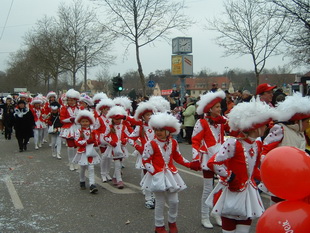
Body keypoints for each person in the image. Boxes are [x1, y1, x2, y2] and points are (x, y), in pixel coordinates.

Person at [206, 98, 276, 233]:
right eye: (264, 124)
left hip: (248, 192)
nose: (267, 127)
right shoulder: (233, 143)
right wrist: (230, 177)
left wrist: (267, 179)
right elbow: (213, 163)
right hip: (232, 191)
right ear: (253, 126)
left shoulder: (257, 144)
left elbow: (253, 169)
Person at [140, 112, 200, 233]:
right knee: (160, 202)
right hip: (157, 175)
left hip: (171, 175)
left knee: (174, 201)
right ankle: (159, 226)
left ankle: (172, 222)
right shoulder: (150, 144)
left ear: (168, 131)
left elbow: (178, 157)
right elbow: (145, 160)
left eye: (161, 130)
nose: (158, 132)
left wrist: (190, 164)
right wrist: (154, 172)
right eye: (156, 130)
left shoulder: (173, 143)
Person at [260, 92, 310, 205]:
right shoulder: (280, 130)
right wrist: (270, 171)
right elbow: (265, 151)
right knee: (279, 205)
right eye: (307, 121)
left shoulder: (301, 133)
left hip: (297, 177)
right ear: (298, 121)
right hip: (281, 178)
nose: (308, 125)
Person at [191, 90, 227, 229]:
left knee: (221, 187)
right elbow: (195, 141)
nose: (220, 109)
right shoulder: (202, 122)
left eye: (220, 106)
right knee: (208, 188)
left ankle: (216, 213)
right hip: (208, 158)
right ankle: (204, 216)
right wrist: (195, 159)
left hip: (221, 157)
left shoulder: (222, 122)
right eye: (217, 107)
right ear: (210, 109)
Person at [128, 101, 156, 209]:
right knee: (147, 174)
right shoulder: (140, 127)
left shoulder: (157, 125)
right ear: (143, 117)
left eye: (151, 114)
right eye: (147, 115)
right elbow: (130, 139)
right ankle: (148, 198)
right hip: (145, 155)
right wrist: (137, 147)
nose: (150, 117)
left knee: (155, 175)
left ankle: (153, 195)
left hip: (156, 155)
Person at [102, 106, 130, 189]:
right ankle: (119, 180)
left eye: (119, 119)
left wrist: (125, 139)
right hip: (113, 147)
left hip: (121, 147)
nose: (117, 121)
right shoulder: (110, 127)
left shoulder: (124, 126)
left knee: (120, 163)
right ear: (112, 119)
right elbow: (105, 136)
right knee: (117, 164)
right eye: (115, 119)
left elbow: (128, 135)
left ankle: (114, 177)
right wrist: (111, 142)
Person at [72, 110, 100, 194]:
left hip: (90, 152)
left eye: (86, 121)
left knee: (91, 168)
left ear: (90, 122)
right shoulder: (78, 131)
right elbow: (76, 142)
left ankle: (92, 184)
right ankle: (82, 181)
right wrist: (87, 142)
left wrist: (95, 143)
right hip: (82, 152)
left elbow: (97, 141)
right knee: (83, 168)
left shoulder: (93, 131)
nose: (85, 123)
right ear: (80, 122)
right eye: (83, 121)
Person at [94, 98, 115, 182]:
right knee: (104, 156)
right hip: (103, 139)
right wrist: (97, 139)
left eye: (109, 109)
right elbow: (95, 130)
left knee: (109, 157)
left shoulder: (111, 119)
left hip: (110, 140)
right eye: (106, 109)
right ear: (102, 110)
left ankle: (107, 172)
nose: (108, 111)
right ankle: (103, 173)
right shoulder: (99, 119)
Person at [59, 89, 81, 171]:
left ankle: (76, 162)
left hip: (78, 128)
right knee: (71, 146)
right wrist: (70, 119)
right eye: (69, 100)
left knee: (77, 147)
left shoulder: (80, 108)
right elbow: (62, 119)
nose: (70, 102)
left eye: (72, 100)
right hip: (69, 129)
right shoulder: (64, 108)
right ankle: (71, 162)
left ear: (75, 100)